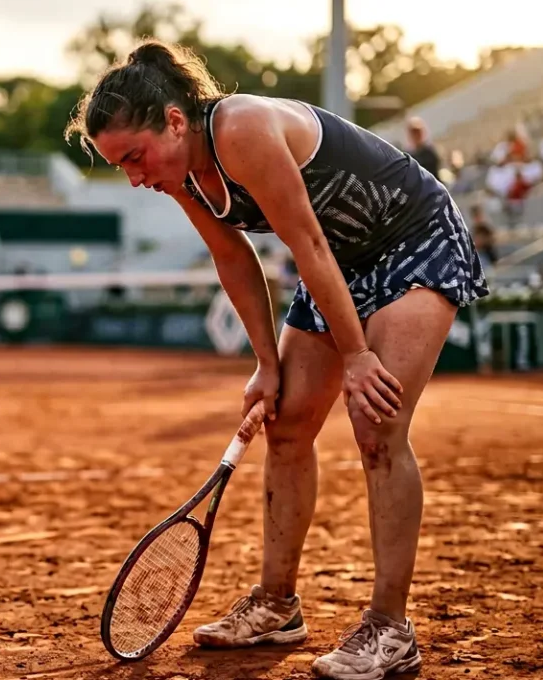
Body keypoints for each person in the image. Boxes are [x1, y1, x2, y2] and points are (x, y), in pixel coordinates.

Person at [65, 39, 487, 679]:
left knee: (377, 425)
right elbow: (233, 257)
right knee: (286, 422)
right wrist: (265, 362)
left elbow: (308, 242)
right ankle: (276, 603)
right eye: (120, 165)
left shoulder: (242, 129)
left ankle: (390, 629)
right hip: (341, 263)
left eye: (133, 157)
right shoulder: (179, 174)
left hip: (412, 237)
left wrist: (356, 356)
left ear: (174, 121)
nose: (134, 176)